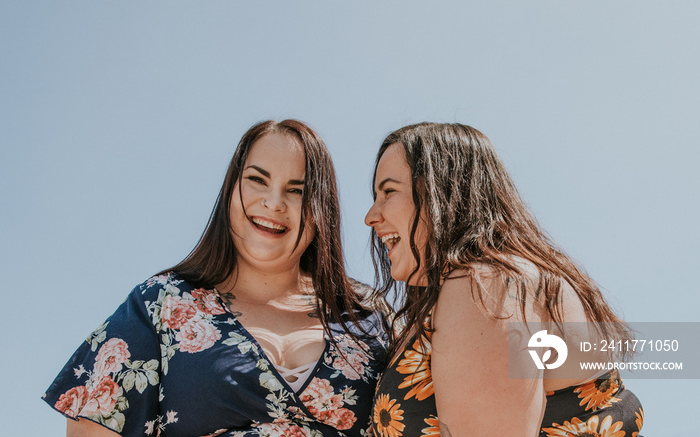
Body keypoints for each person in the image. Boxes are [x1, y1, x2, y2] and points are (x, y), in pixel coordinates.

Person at [43, 119, 390, 437]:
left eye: (297, 190)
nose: (274, 202)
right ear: (230, 191)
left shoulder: (370, 315)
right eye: (257, 180)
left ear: (321, 209)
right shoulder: (160, 303)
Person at [364, 123, 643, 437]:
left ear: (441, 191)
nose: (371, 216)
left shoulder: (483, 285)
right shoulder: (482, 285)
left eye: (388, 192)